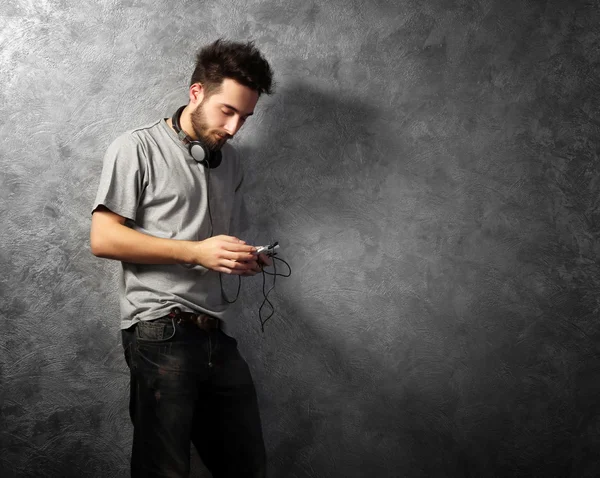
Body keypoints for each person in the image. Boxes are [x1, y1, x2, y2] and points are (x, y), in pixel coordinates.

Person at [90, 39, 274, 477]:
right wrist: (196, 252)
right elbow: (103, 238)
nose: (234, 128)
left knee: (248, 468)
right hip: (159, 330)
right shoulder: (135, 147)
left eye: (245, 118)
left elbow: (213, 246)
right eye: (226, 111)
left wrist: (241, 258)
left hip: (217, 337)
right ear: (196, 93)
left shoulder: (230, 162)